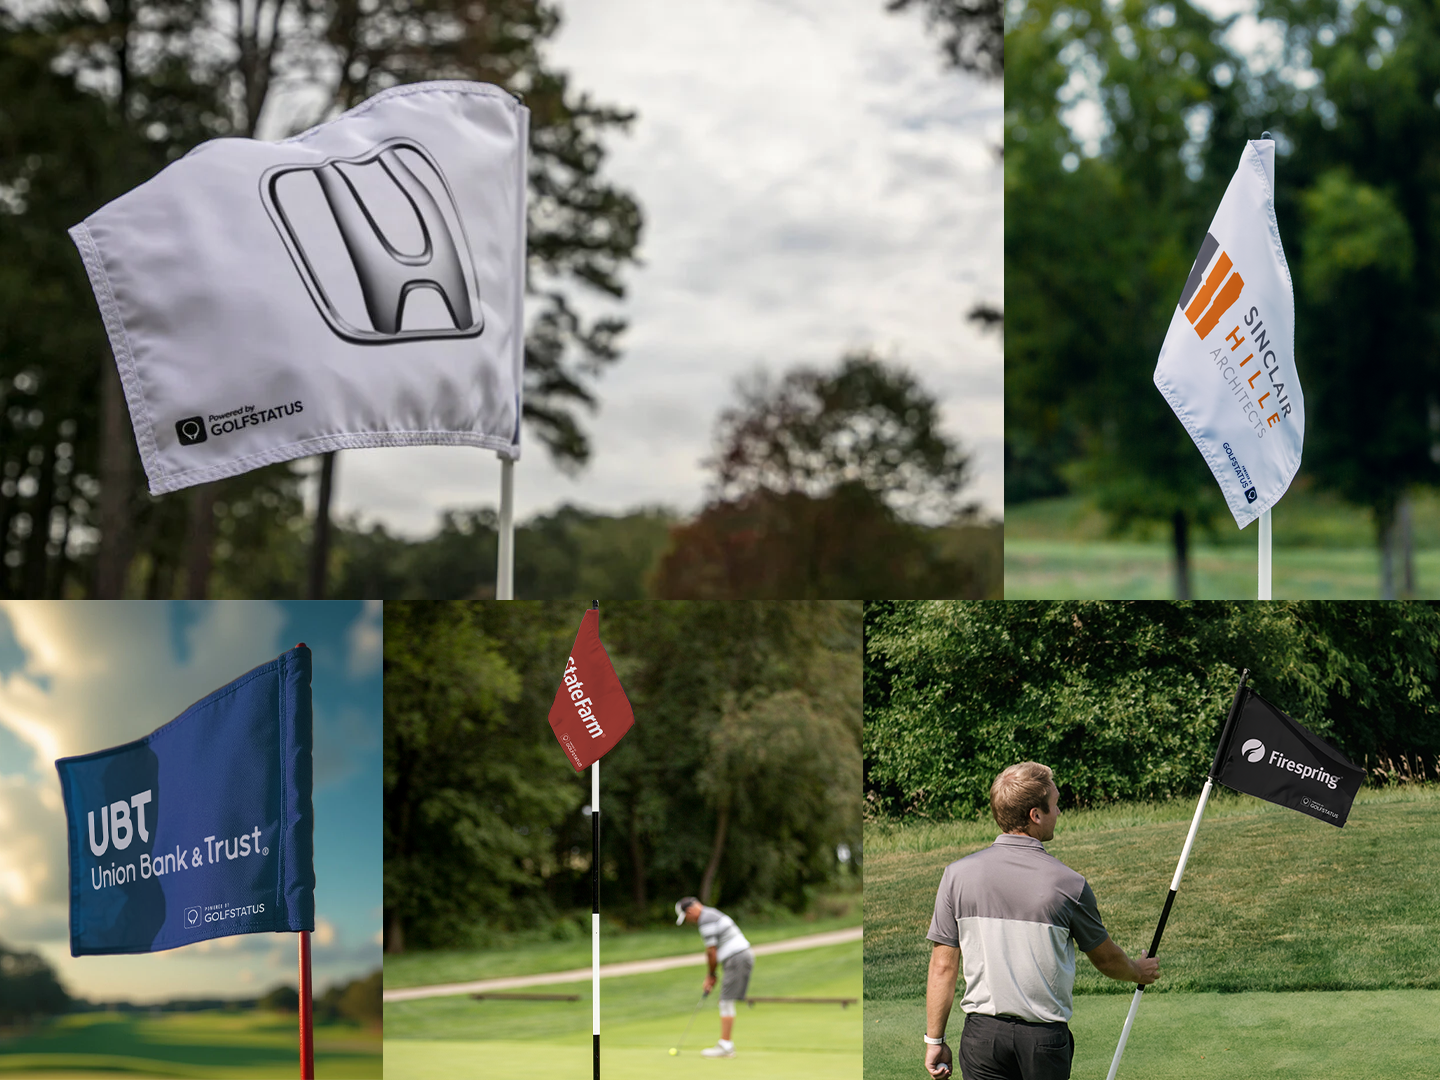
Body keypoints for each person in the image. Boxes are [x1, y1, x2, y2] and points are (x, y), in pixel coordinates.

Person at [923, 762, 1160, 1080]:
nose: (1059, 812)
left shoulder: (956, 875)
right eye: (1055, 804)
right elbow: (1105, 959)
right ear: (1035, 815)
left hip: (981, 1038)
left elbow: (942, 966)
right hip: (1043, 1041)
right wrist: (1137, 971)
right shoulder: (1069, 883)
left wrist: (934, 1041)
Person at [675, 896, 755, 1058]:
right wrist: (713, 974)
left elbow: (711, 952)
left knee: (725, 1000)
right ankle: (726, 1045)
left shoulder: (706, 919)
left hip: (736, 957)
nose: (689, 921)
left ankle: (726, 1046)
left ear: (690, 911)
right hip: (738, 957)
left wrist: (711, 975)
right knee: (725, 1000)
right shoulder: (711, 914)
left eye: (687, 918)